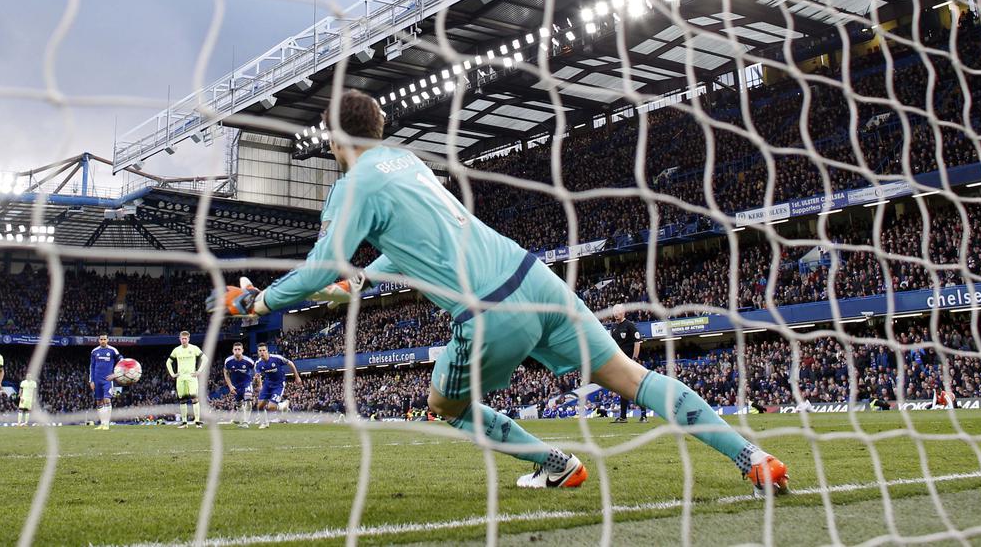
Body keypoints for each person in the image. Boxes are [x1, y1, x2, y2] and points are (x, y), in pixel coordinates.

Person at [222, 90, 788, 493]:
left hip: (489, 310)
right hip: (534, 277)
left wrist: (257, 302)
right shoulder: (407, 164)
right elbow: (420, 244)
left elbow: (320, 272)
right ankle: (752, 457)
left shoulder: (352, 185)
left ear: (335, 139)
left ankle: (554, 462)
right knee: (632, 379)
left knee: (446, 405)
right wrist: (367, 277)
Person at [607, 305, 644, 423]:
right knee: (623, 388)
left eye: (617, 311)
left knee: (635, 387)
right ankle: (623, 416)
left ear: (623, 312)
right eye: (614, 312)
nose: (615, 313)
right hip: (619, 362)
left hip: (629, 361)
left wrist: (634, 359)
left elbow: (637, 343)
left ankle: (643, 415)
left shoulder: (629, 325)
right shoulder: (613, 327)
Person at [252, 344, 301, 429]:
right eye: (260, 351)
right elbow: (258, 375)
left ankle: (283, 405)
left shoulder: (276, 358)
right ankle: (265, 423)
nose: (262, 352)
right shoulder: (258, 363)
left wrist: (297, 377)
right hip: (267, 384)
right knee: (259, 406)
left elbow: (291, 363)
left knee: (271, 407)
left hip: (278, 384)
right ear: (258, 352)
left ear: (267, 351)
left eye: (263, 350)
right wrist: (259, 384)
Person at [167, 331, 206, 427]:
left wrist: (199, 371)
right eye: (182, 338)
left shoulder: (194, 348)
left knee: (194, 399)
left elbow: (205, 359)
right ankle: (184, 422)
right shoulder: (176, 350)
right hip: (180, 378)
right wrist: (172, 374)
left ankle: (197, 421)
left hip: (191, 377)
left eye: (185, 338)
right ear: (179, 339)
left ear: (189, 339)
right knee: (182, 400)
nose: (184, 340)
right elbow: (168, 362)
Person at [90, 335, 122, 431]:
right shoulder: (94, 351)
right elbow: (91, 367)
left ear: (107, 340)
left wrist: (116, 374)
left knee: (107, 400)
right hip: (96, 380)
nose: (103, 341)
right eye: (101, 339)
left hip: (107, 380)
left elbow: (122, 361)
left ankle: (107, 424)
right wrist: (91, 380)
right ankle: (102, 423)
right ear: (99, 340)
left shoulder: (113, 350)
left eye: (104, 339)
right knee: (99, 402)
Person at [223, 342, 257, 428]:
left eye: (239, 349)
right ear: (232, 350)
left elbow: (256, 371)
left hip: (247, 383)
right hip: (236, 385)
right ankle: (239, 419)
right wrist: (230, 386)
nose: (237, 351)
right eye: (235, 349)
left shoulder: (249, 361)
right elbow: (226, 373)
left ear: (242, 350)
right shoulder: (228, 361)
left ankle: (245, 422)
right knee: (239, 404)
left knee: (248, 400)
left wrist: (257, 382)